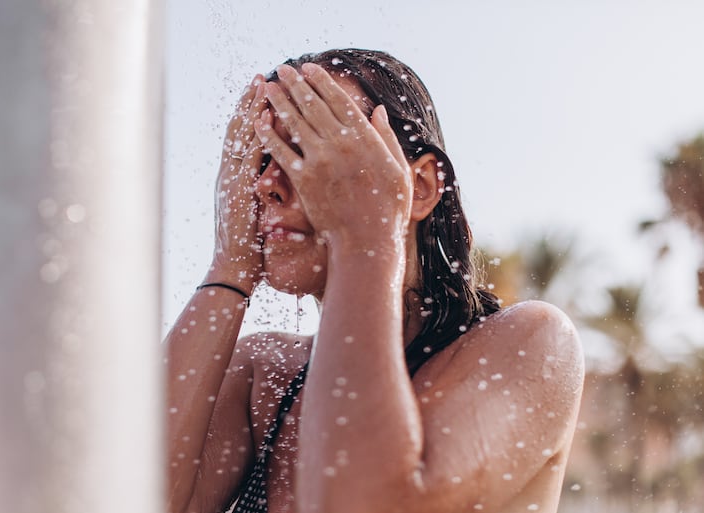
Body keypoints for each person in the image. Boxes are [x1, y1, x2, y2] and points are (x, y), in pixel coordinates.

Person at [165, 48, 584, 513]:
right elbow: (123, 493)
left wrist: (366, 236)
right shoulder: (264, 376)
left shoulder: (530, 344)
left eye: (307, 150)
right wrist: (229, 267)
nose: (266, 183)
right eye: (262, 158)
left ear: (419, 187)